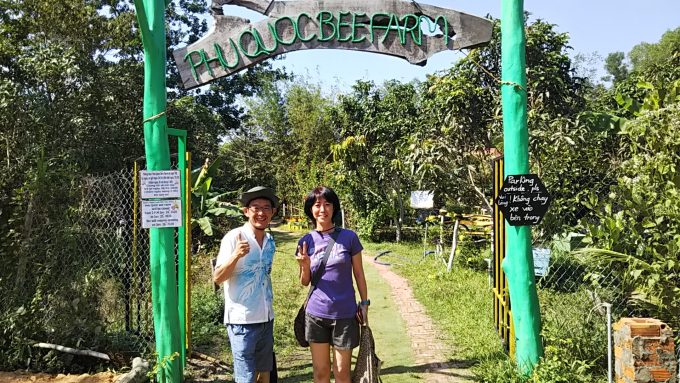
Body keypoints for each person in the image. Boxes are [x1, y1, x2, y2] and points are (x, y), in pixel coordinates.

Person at [295, 186, 369, 383]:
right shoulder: (306, 240)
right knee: (320, 372)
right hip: (316, 314)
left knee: (342, 373)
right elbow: (305, 282)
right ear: (310, 209)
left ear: (334, 208)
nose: (322, 209)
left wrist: (364, 303)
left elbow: (359, 274)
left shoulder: (349, 237)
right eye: (317, 205)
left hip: (345, 314)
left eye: (327, 204)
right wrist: (304, 266)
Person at [214, 186, 279, 383]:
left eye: (266, 208)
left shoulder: (270, 241)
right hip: (242, 321)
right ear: (246, 211)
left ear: (273, 212)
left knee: (264, 375)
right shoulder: (234, 237)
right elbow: (217, 277)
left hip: (266, 318)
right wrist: (236, 255)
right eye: (255, 207)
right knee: (246, 378)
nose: (261, 213)